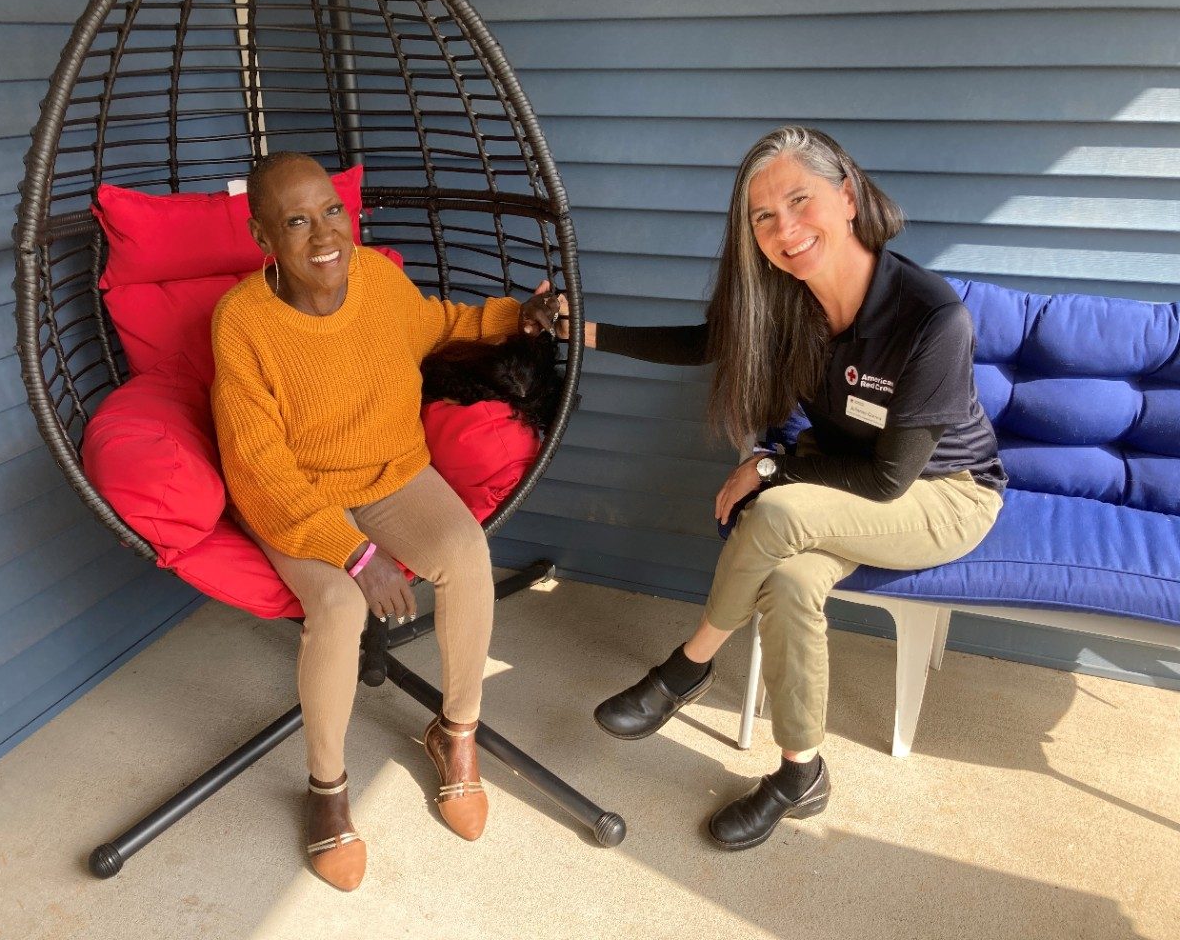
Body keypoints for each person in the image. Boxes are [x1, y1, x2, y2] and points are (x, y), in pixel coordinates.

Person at [559, 125, 1006, 850]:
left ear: (848, 196)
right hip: (843, 484)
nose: (784, 229)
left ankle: (685, 668)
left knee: (779, 509)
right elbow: (703, 344)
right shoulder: (786, 298)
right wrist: (584, 331)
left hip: (943, 494)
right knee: (793, 581)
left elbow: (890, 478)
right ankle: (802, 775)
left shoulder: (931, 318)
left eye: (800, 200)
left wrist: (771, 466)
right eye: (763, 216)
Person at [211, 151, 558, 890]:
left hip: (395, 474)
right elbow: (257, 472)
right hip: (300, 499)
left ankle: (454, 733)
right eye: (296, 221)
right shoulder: (242, 321)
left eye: (331, 210)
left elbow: (436, 325)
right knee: (336, 606)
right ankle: (327, 788)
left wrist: (514, 319)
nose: (323, 235)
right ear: (262, 237)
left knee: (466, 554)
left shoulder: (372, 276)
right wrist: (355, 553)